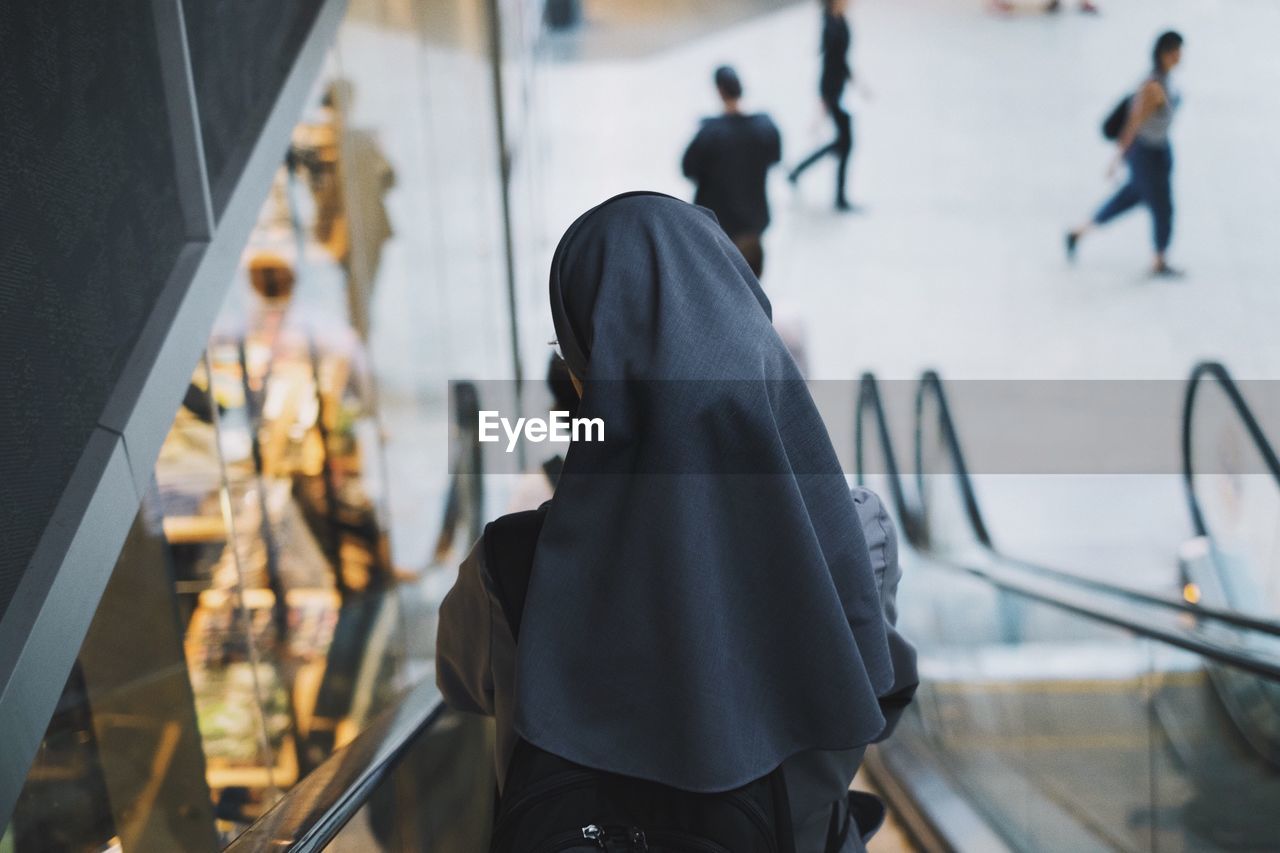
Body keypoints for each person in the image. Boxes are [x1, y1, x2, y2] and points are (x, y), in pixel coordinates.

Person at [436, 192, 917, 850]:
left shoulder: (511, 565)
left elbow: (462, 685)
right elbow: (879, 692)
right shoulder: (854, 531)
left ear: (587, 373)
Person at [1067, 31, 1184, 277]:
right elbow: (1134, 123)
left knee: (1129, 198)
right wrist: (1117, 158)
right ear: (1164, 54)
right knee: (1163, 207)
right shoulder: (1153, 88)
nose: (1180, 56)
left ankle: (1079, 232)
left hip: (1155, 152)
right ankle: (1159, 260)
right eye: (1176, 51)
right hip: (1148, 155)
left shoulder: (1164, 80)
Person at [681, 65, 782, 277]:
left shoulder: (710, 134)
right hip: (754, 220)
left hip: (718, 222)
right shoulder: (764, 129)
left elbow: (688, 168)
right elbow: (775, 157)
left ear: (719, 90)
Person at [788, 0, 859, 212]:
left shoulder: (840, 20)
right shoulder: (829, 25)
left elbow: (842, 58)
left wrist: (855, 80)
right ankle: (839, 197)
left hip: (838, 90)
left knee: (841, 143)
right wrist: (825, 101)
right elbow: (829, 61)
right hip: (831, 91)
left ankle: (798, 171)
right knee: (845, 142)